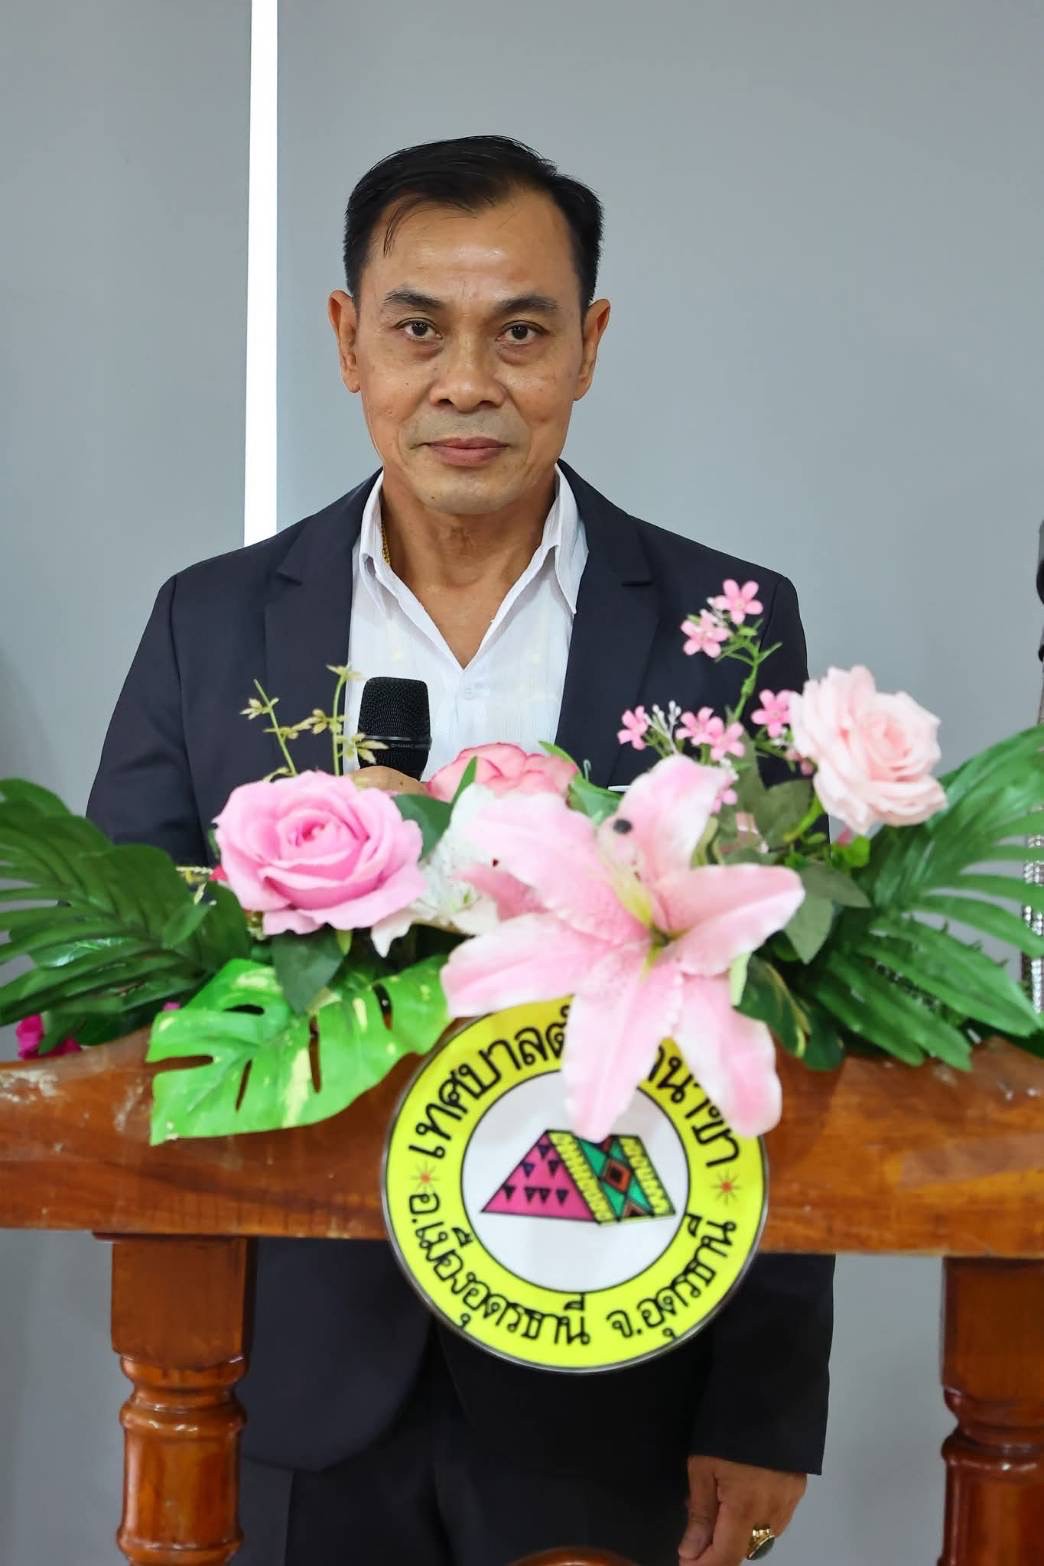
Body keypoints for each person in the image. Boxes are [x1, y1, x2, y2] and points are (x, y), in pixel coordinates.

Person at [87, 134, 834, 1566]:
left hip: (613, 1354)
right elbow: (120, 974)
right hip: (289, 1372)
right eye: (419, 329)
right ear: (347, 340)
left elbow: (792, 1018)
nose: (468, 383)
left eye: (523, 333)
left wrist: (764, 1398)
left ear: (590, 345)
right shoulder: (215, 621)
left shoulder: (723, 628)